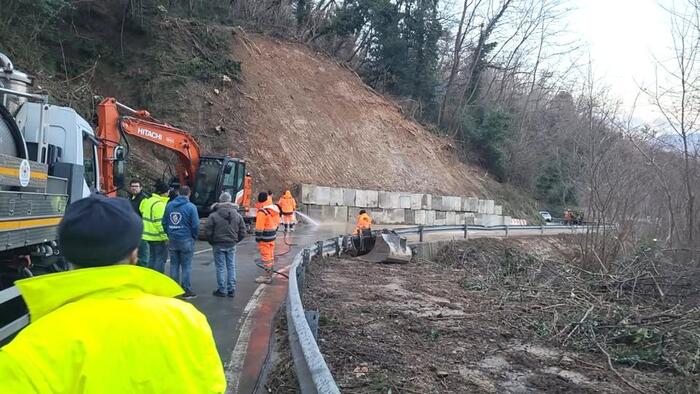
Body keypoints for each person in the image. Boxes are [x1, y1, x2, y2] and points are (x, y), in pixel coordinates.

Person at [0, 195, 225, 393]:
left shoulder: (32, 347)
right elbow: (213, 386)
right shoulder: (188, 320)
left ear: (67, 255)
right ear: (134, 254)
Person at [204, 192, 246, 298]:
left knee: (220, 267)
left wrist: (212, 241)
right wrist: (236, 240)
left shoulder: (213, 215)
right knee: (231, 266)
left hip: (218, 244)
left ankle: (222, 289)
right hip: (231, 243)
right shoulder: (237, 215)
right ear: (230, 200)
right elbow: (243, 231)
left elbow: (208, 231)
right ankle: (231, 289)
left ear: (220, 200)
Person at [163, 185, 200, 299]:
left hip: (173, 238)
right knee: (186, 266)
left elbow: (164, 222)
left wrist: (169, 233)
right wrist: (194, 236)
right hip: (186, 239)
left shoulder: (169, 205)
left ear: (179, 193)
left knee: (174, 265)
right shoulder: (191, 207)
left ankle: (174, 289)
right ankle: (186, 290)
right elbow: (195, 225)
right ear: (189, 194)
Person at [140, 180, 170, 273]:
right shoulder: (159, 204)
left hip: (147, 236)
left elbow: (142, 210)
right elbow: (159, 223)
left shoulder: (148, 201)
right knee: (159, 260)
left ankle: (150, 278)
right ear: (164, 193)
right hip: (157, 237)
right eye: (168, 191)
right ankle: (158, 279)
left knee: (152, 258)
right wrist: (165, 237)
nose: (169, 193)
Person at [254, 192, 280, 284]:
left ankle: (267, 276)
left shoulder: (262, 212)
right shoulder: (273, 209)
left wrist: (258, 237)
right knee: (270, 255)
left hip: (265, 238)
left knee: (266, 257)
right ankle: (269, 273)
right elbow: (277, 223)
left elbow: (259, 228)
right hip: (272, 236)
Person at [128, 179, 150, 266]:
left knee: (143, 259)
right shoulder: (130, 198)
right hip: (132, 232)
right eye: (132, 186)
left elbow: (145, 217)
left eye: (136, 186)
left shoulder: (144, 200)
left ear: (141, 188)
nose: (134, 188)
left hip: (141, 233)